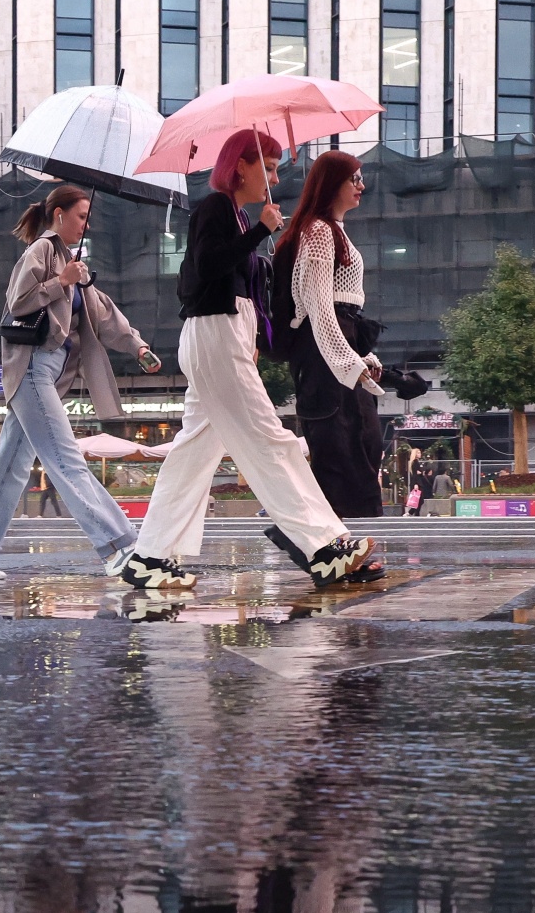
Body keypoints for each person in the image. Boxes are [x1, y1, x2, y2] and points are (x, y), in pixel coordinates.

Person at [121, 130, 382, 591]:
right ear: (239, 166)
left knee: (193, 453)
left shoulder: (238, 217)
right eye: (268, 167)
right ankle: (323, 547)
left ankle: (150, 557)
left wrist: (255, 321)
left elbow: (234, 279)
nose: (275, 178)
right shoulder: (217, 208)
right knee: (270, 439)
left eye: (278, 167)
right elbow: (206, 265)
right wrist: (262, 230)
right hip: (215, 333)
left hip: (223, 335)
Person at [0, 185, 159, 580]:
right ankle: (118, 546)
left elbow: (104, 313)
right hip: (31, 368)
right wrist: (60, 281)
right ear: (59, 215)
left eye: (87, 218)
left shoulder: (73, 262)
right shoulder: (42, 252)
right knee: (66, 460)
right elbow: (17, 302)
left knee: (10, 465)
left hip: (48, 373)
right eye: (81, 217)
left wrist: (137, 347)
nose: (86, 224)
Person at [273, 150, 385, 519]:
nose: (361, 186)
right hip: (325, 361)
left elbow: (333, 314)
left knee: (360, 448)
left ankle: (345, 546)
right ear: (331, 183)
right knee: (344, 454)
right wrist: (349, 363)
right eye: (353, 179)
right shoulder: (319, 232)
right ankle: (336, 546)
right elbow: (319, 309)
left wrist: (358, 359)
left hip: (334, 355)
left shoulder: (331, 230)